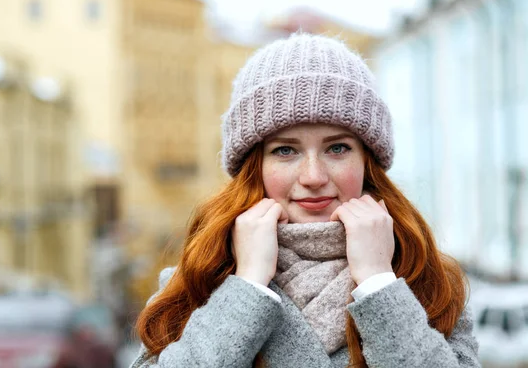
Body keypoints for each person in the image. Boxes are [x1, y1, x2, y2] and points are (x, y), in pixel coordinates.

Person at [130, 33, 480, 367]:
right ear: (254, 166)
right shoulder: (198, 280)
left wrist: (378, 283)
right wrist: (247, 286)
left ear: (367, 161)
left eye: (338, 148)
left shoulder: (427, 280)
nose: (313, 177)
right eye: (285, 150)